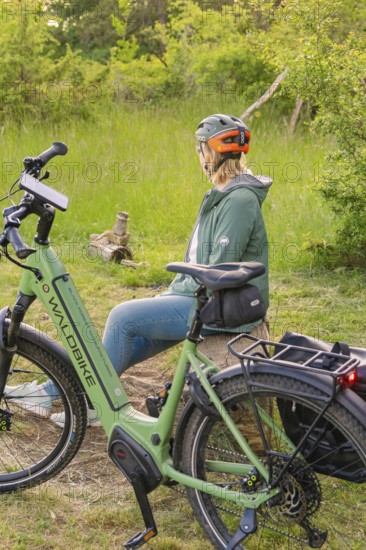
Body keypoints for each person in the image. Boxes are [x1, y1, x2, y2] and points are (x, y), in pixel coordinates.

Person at [5, 114, 272, 427]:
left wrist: (178, 292)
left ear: (211, 152)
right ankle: (57, 395)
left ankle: (87, 402)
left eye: (200, 150)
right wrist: (175, 289)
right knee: (125, 341)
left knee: (123, 317)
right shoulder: (223, 192)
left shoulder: (238, 199)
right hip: (198, 295)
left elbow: (217, 269)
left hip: (220, 307)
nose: (198, 156)